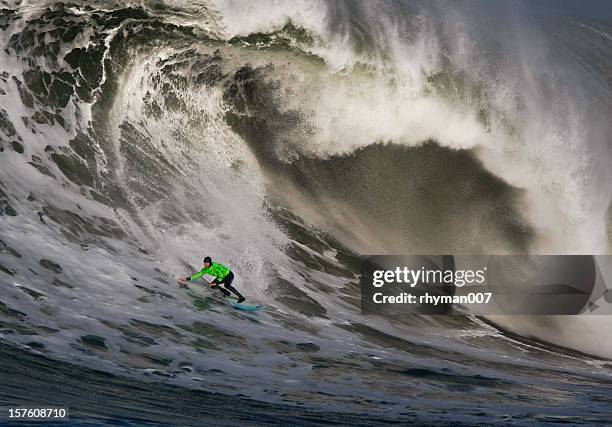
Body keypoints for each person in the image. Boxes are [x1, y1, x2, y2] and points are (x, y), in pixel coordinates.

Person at [179, 256, 245, 303]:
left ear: (210, 262)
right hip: (221, 276)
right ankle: (226, 293)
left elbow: (221, 275)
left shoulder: (215, 266)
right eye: (204, 263)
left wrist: (216, 283)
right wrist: (187, 279)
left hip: (228, 275)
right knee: (212, 285)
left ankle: (241, 297)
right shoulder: (205, 269)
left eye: (206, 263)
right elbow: (198, 275)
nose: (205, 264)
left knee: (226, 285)